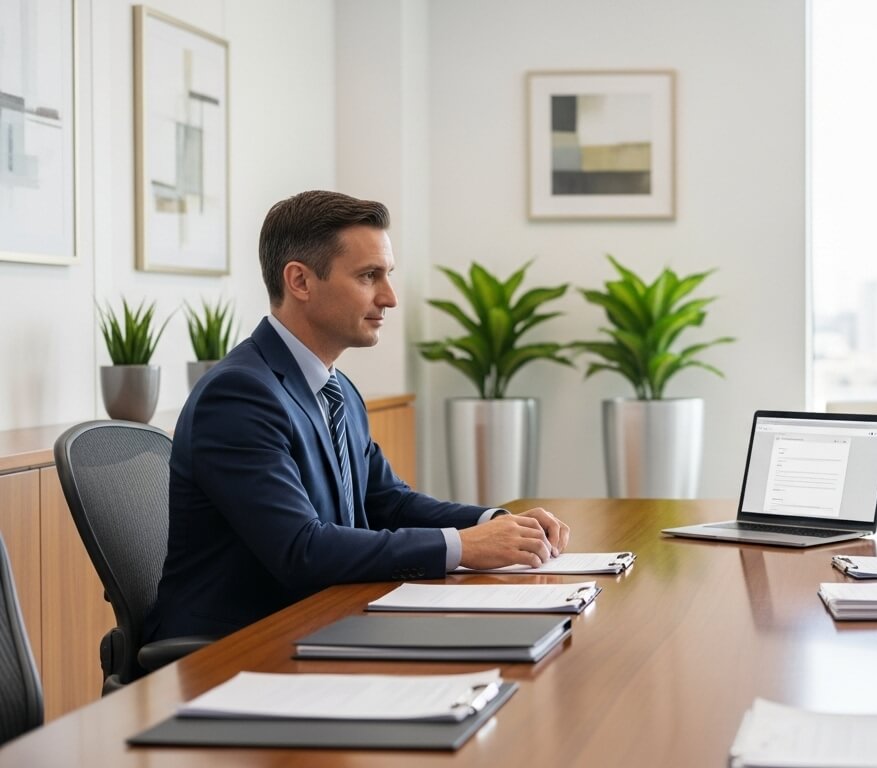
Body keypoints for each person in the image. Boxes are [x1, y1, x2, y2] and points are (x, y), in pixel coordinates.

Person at [146, 190, 569, 641]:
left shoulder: (338, 389)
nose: (390, 297)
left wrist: (496, 524)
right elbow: (301, 549)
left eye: (387, 275)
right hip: (241, 647)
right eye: (369, 276)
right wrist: (462, 546)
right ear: (300, 281)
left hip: (326, 622)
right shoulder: (238, 395)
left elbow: (390, 502)